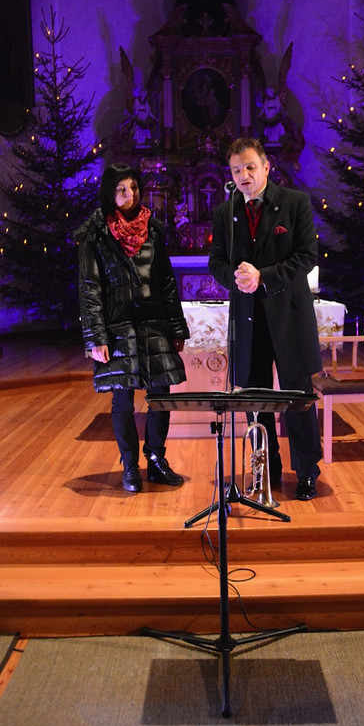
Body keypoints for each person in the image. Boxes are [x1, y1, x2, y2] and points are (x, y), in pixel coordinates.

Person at [208, 137, 322, 500]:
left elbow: (307, 255)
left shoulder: (294, 202)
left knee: (298, 398)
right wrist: (236, 278)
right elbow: (216, 262)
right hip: (249, 320)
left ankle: (306, 471)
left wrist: (264, 276)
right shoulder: (225, 212)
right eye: (236, 170)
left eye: (249, 167)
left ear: (266, 167)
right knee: (255, 401)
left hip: (289, 317)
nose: (243, 175)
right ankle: (265, 469)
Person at [77, 163, 190, 492]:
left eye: (134, 188)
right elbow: (90, 288)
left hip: (154, 323)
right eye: (122, 189)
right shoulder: (95, 233)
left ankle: (156, 460)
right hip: (118, 327)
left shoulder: (152, 230)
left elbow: (166, 282)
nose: (130, 194)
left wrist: (176, 328)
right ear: (110, 193)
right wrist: (95, 337)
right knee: (123, 401)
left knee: (160, 397)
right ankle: (130, 466)